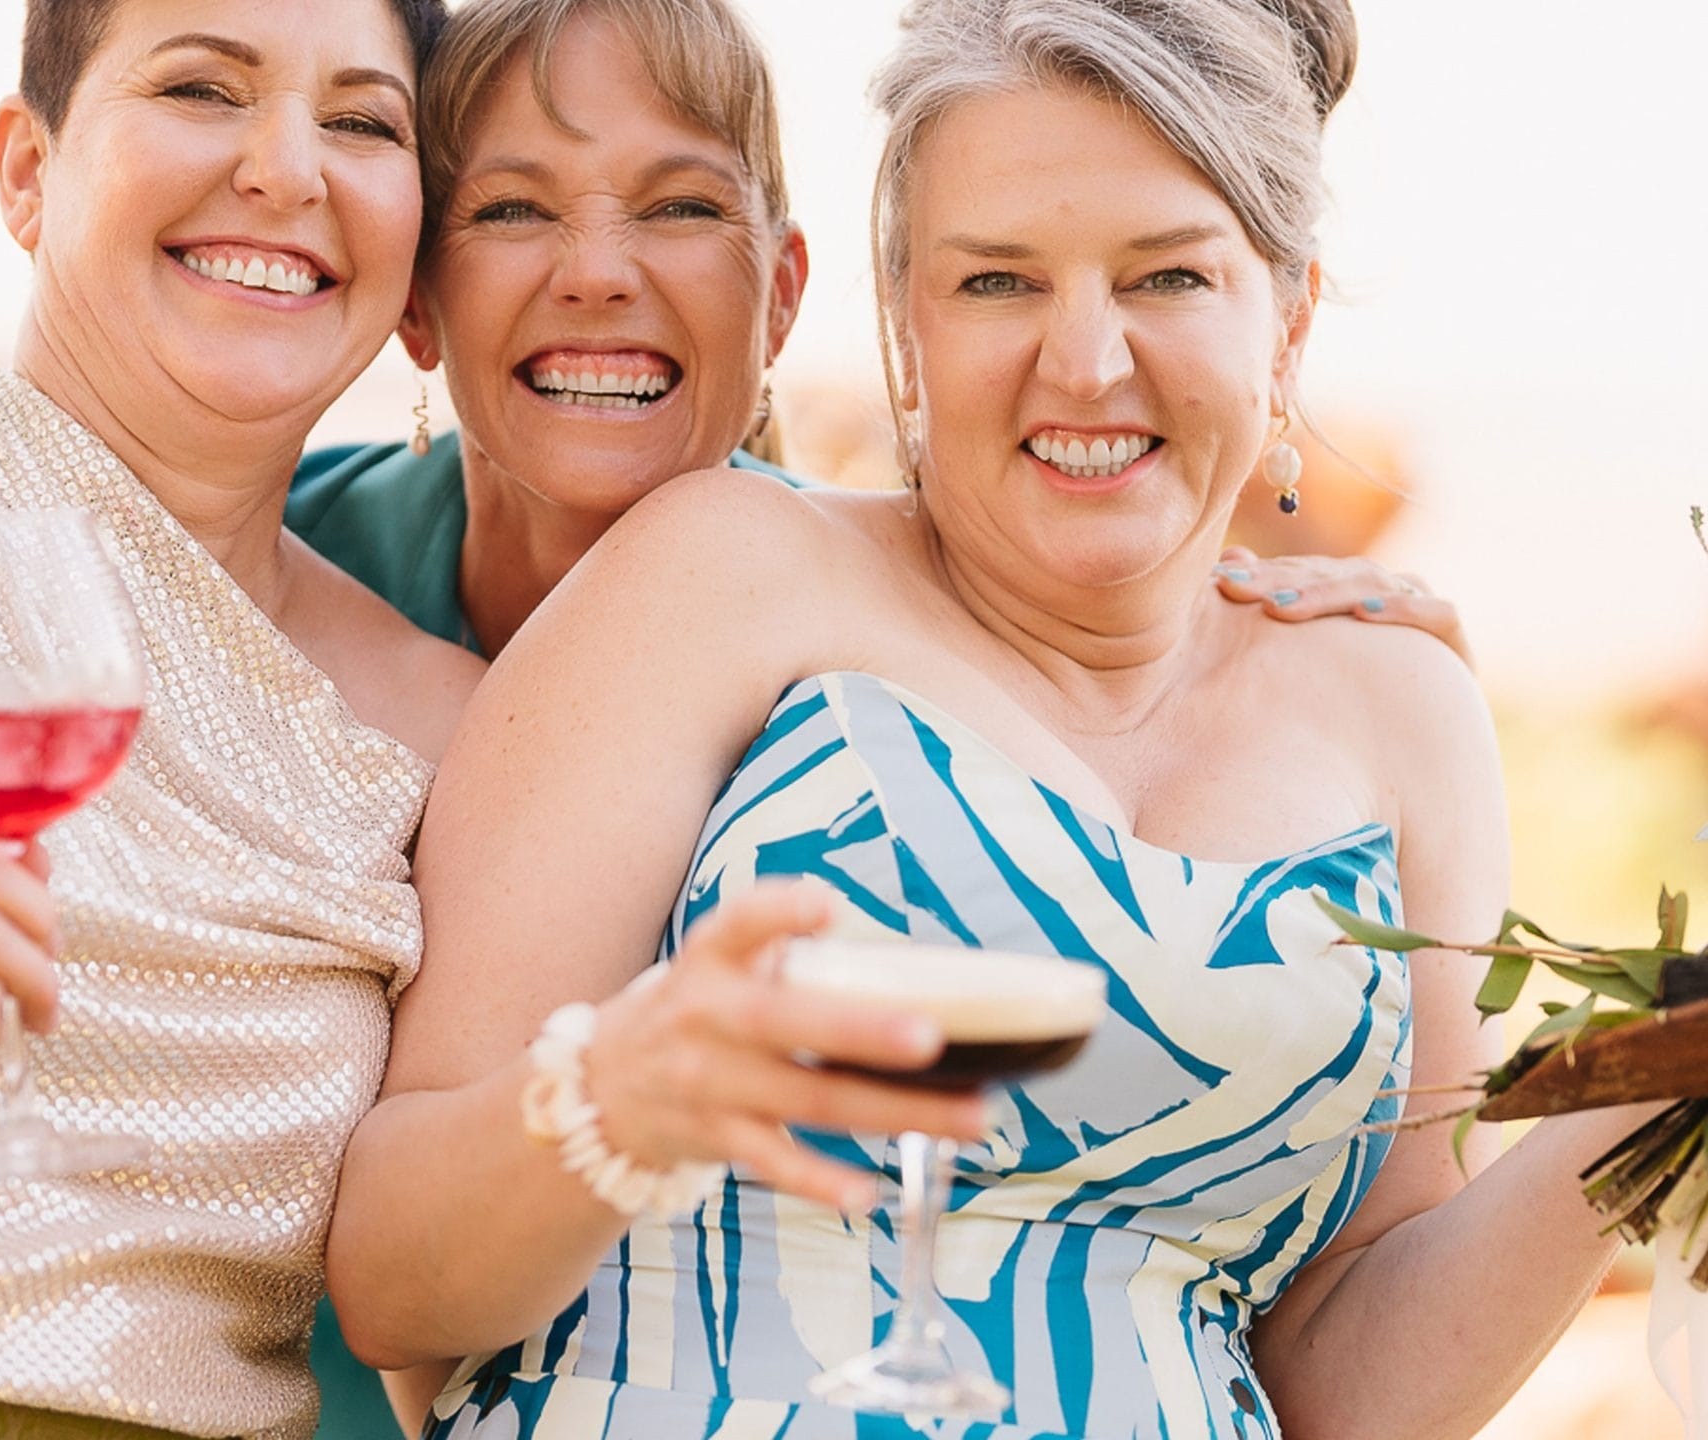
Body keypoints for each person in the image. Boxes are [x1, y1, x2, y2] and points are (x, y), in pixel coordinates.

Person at [324, 1, 1654, 1436]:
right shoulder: (717, 574)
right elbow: (391, 1286)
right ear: (905, 324)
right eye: (999, 284)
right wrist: (621, 1099)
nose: (1084, 363)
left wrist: (1652, 1081)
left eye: (1169, 279)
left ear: (1290, 322)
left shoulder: (1400, 703)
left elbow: (1346, 1383)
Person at [0, 2, 487, 1438]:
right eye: (199, 87)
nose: (290, 169)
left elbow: (444, 1328)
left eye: (362, 122)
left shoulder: (458, 730)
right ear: (26, 169)